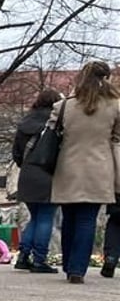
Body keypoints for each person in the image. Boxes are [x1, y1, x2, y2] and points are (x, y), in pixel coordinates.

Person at [47, 61, 120, 284]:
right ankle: (78, 269)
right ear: (107, 78)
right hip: (99, 168)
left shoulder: (64, 106)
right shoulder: (115, 106)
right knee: (87, 219)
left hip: (68, 167)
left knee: (69, 217)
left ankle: (69, 264)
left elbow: (52, 132)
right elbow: (117, 140)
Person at [12, 89, 61, 273]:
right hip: (47, 173)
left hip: (27, 173)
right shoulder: (55, 123)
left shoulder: (25, 121)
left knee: (35, 217)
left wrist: (25, 165)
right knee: (46, 217)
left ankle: (23, 256)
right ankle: (40, 259)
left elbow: (16, 151)